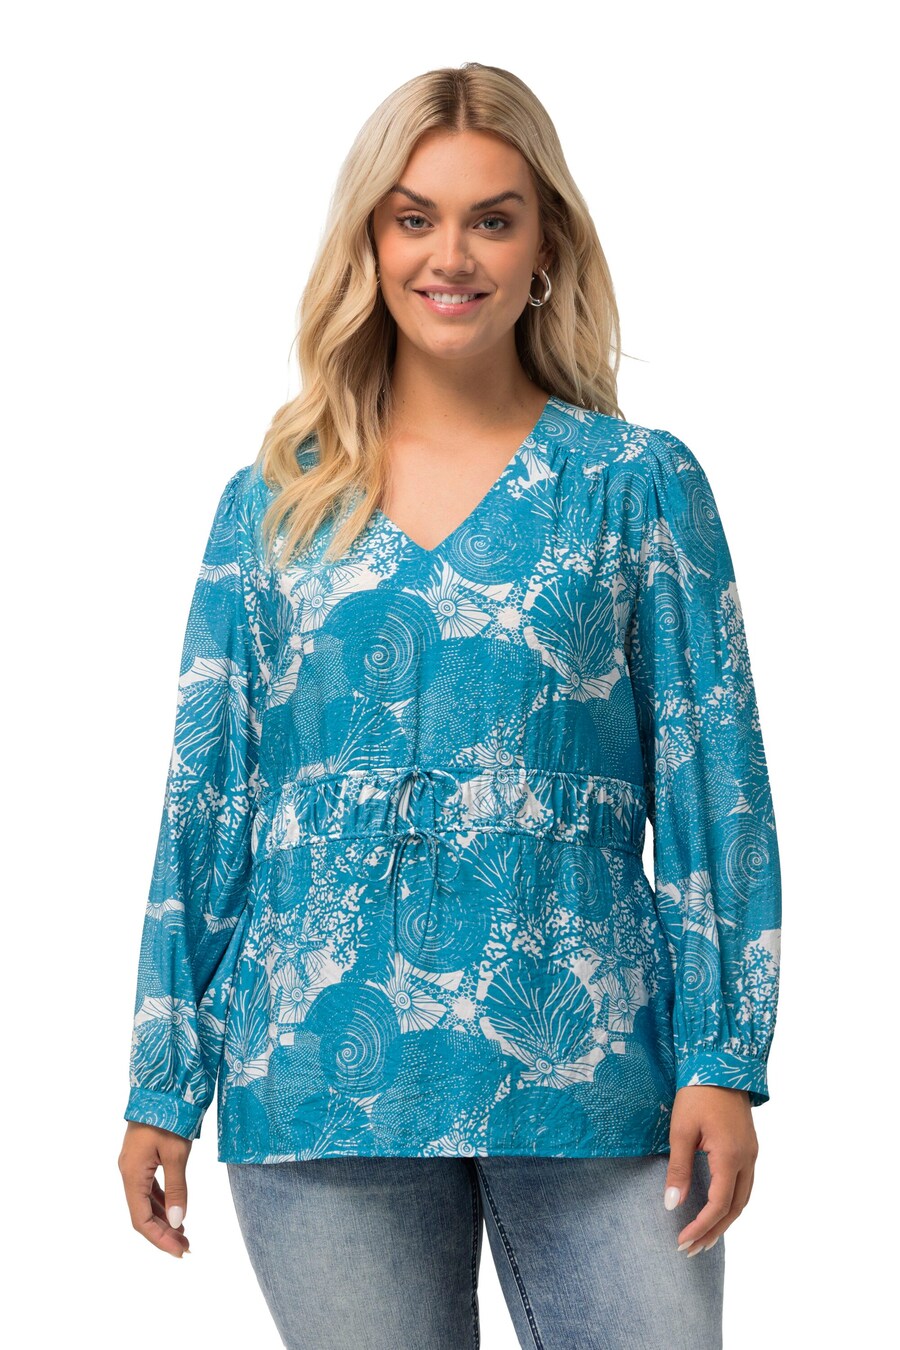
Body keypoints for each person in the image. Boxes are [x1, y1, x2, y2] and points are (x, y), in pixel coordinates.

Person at [118, 62, 782, 1350]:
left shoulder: (635, 484)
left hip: (598, 1078)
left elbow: (718, 785)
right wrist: (164, 1074)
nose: (452, 255)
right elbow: (212, 796)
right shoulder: (275, 502)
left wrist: (723, 1056)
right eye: (414, 218)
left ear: (546, 247)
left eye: (493, 218)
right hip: (317, 1079)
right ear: (369, 243)